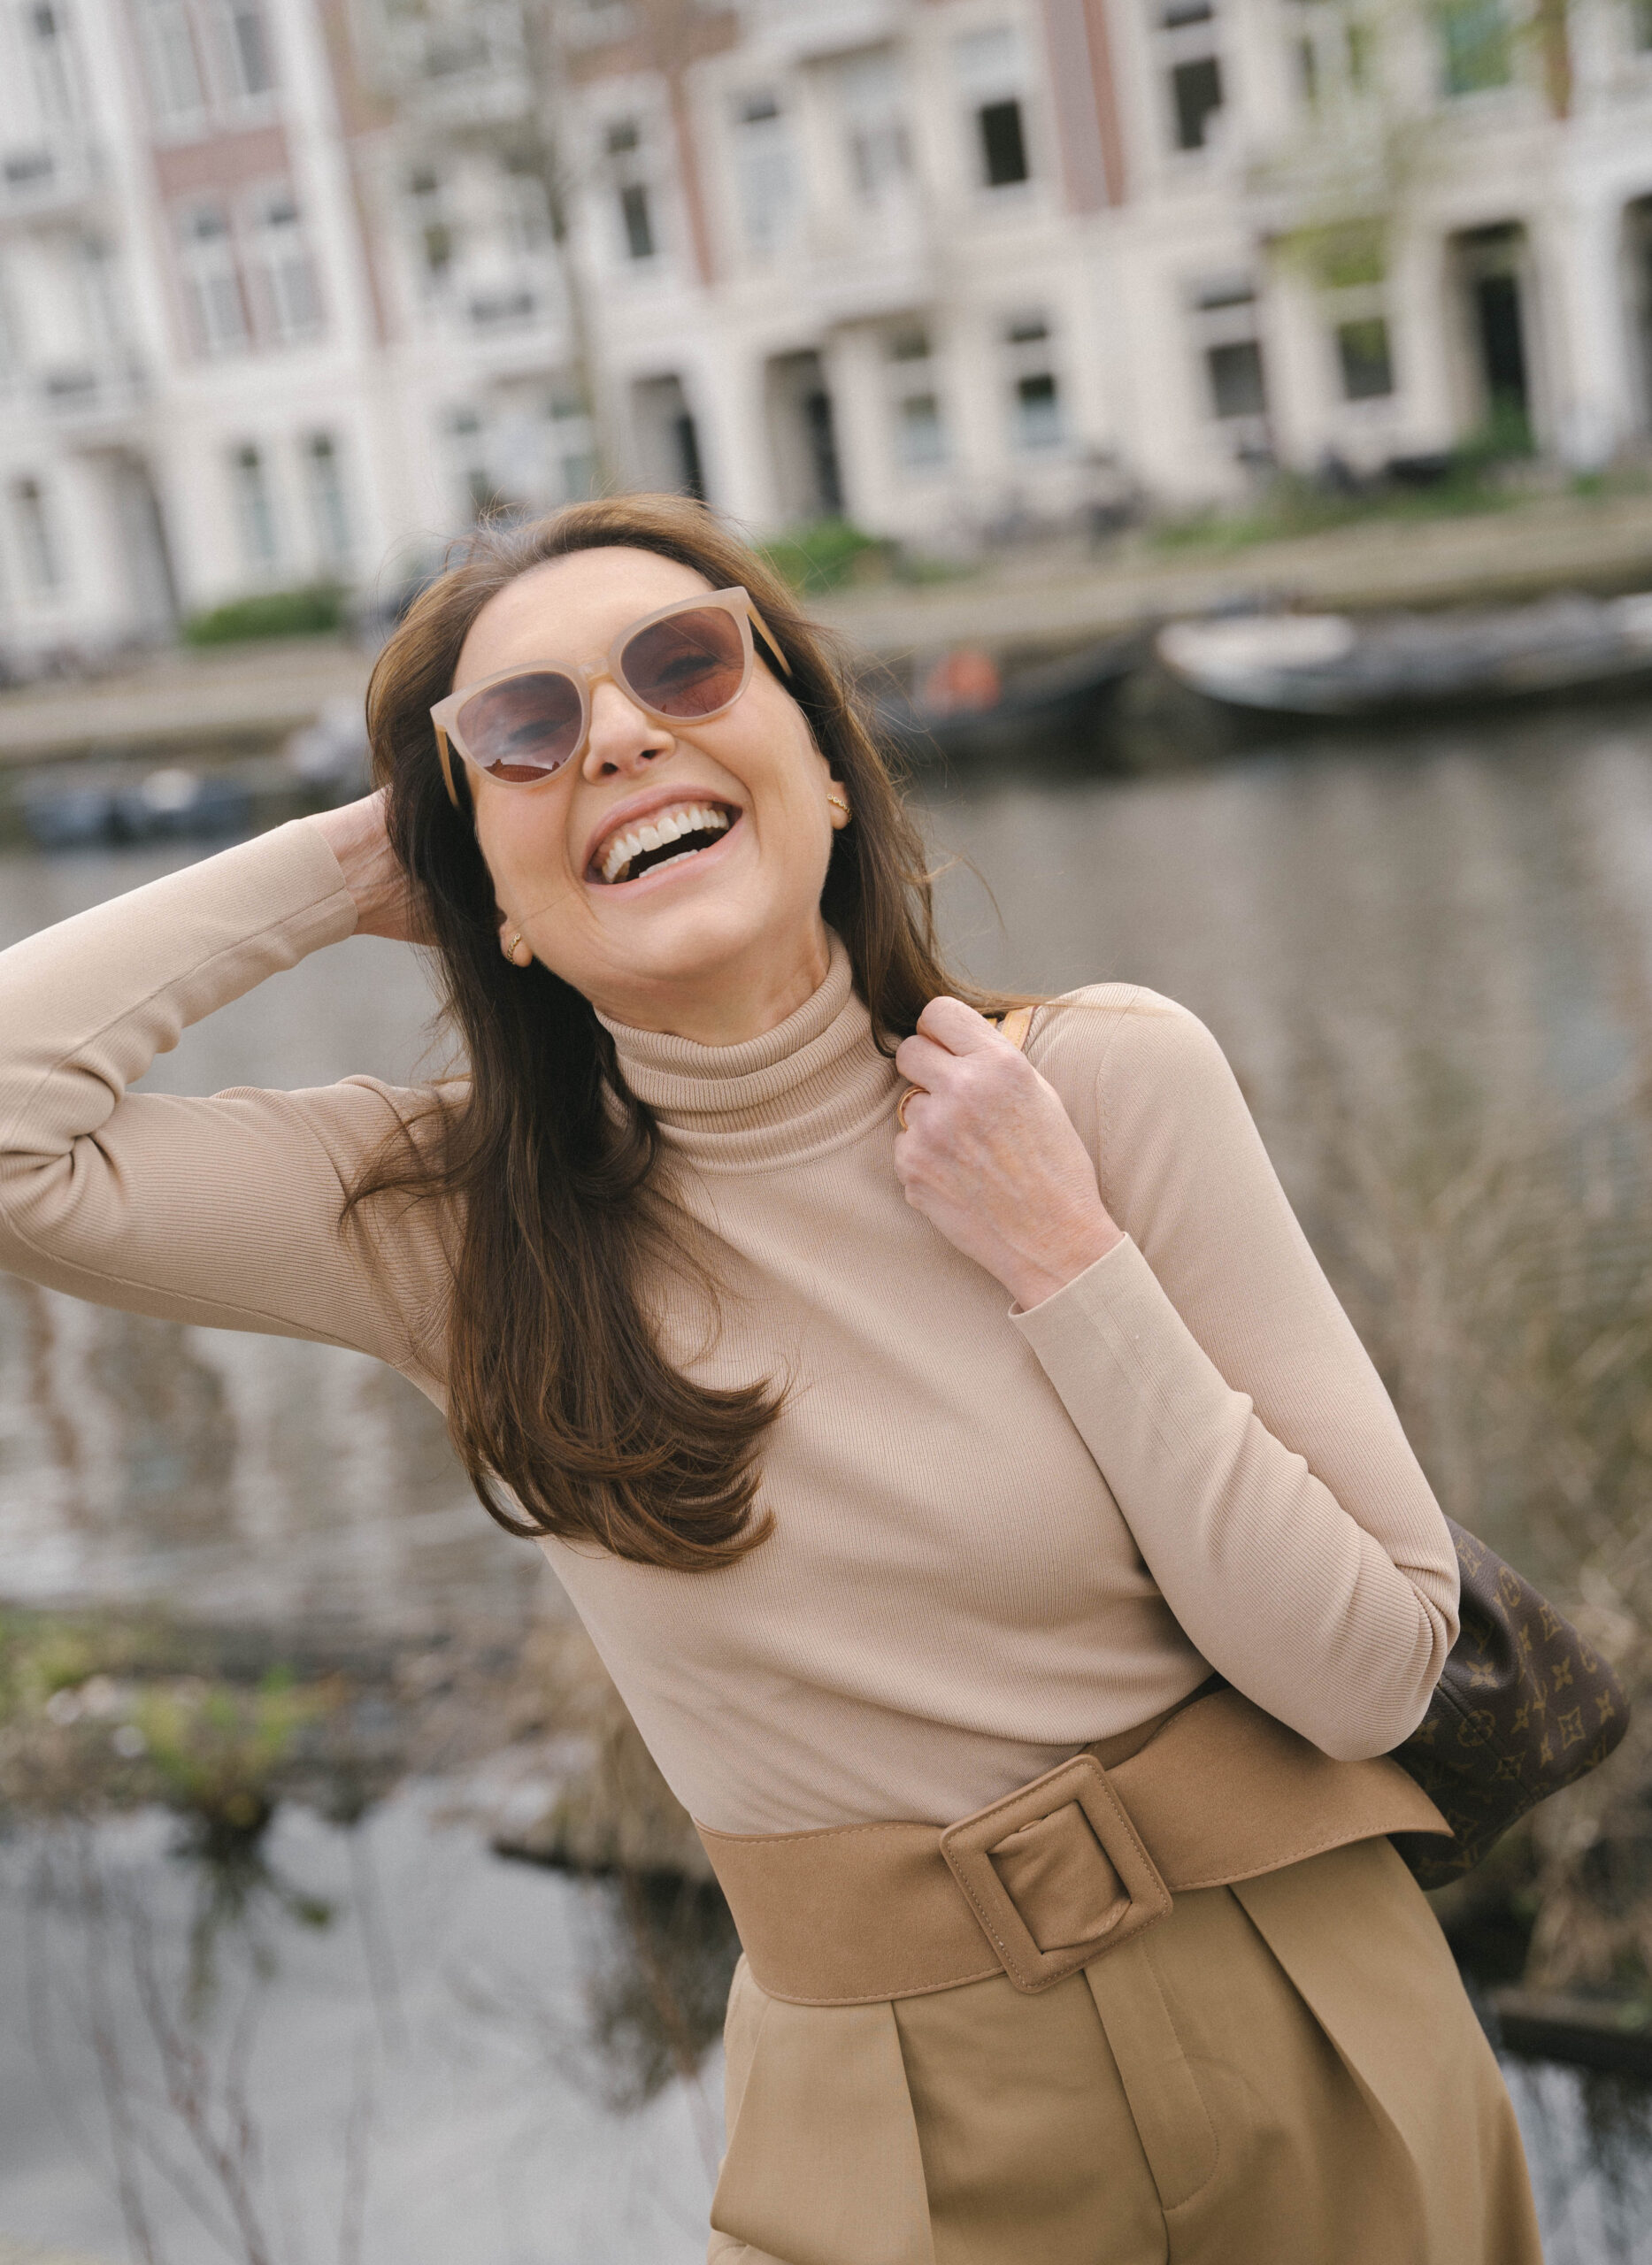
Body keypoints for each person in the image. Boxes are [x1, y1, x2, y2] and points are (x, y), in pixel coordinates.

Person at [0, 495, 1541, 2264]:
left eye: (684, 662)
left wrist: (1064, 1261)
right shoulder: (444, 1230)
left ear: (821, 766)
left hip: (1313, 2011)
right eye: (522, 731)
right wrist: (348, 861)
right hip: (883, 2118)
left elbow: (1370, 1672)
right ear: (478, 903)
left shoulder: (1102, 1089)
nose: (622, 730)